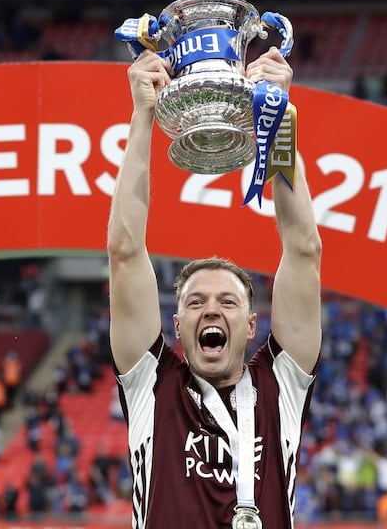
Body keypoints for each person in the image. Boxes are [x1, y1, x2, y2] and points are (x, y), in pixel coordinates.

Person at [107, 46, 323, 528]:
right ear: (176, 323)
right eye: (196, 302)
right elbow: (125, 252)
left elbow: (304, 250)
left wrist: (278, 120)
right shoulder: (152, 387)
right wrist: (142, 115)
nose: (211, 310)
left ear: (251, 325)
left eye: (228, 302)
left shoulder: (280, 386)